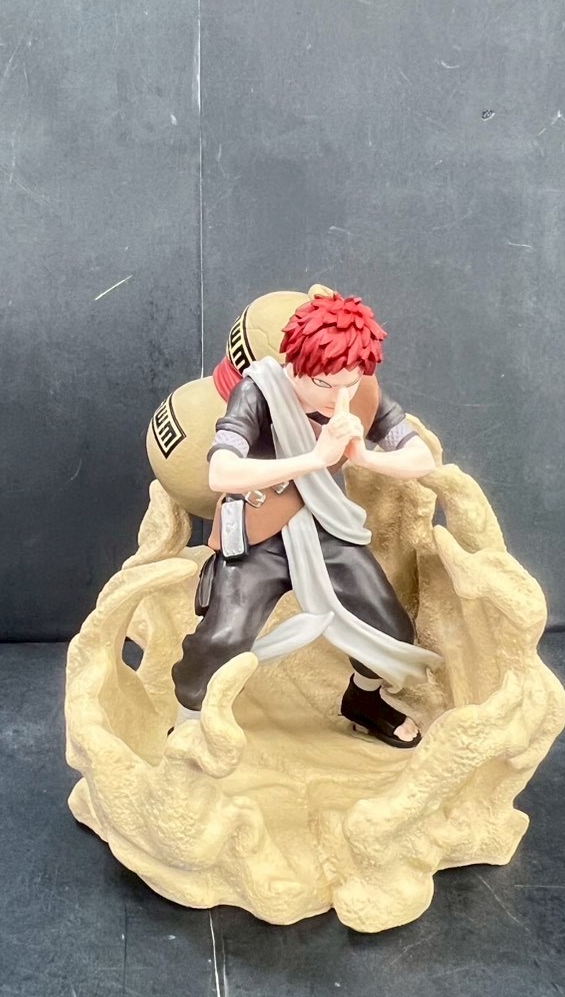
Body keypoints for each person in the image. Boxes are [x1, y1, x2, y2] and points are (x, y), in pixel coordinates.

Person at [170, 291, 443, 747]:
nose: (338, 396)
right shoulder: (259, 392)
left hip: (324, 525)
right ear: (296, 363)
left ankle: (363, 700)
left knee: (388, 627)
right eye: (324, 383)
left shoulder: (359, 390)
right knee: (224, 637)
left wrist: (362, 457)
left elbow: (420, 459)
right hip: (257, 530)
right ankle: (189, 719)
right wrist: (315, 458)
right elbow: (222, 471)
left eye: (348, 383)